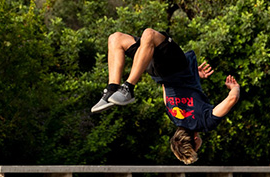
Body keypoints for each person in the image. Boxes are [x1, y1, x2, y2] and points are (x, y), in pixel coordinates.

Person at [91, 28, 241, 164]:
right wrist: (193, 74)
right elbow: (168, 89)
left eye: (197, 147)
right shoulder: (173, 116)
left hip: (176, 67)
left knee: (149, 34)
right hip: (160, 72)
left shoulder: (206, 123)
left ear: (196, 140)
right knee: (116, 39)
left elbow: (232, 99)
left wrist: (235, 88)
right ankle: (112, 89)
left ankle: (127, 88)